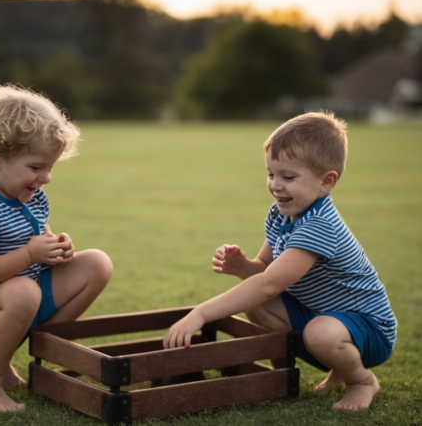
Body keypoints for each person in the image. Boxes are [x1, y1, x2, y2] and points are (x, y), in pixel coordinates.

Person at [163, 111, 396, 411]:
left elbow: (270, 284)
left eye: (288, 177)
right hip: (323, 317)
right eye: (271, 174)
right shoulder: (281, 214)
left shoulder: (320, 225)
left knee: (317, 330)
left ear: (326, 182)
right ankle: (323, 371)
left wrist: (201, 313)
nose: (276, 185)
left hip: (370, 329)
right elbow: (264, 272)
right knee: (255, 302)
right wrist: (244, 268)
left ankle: (362, 381)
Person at [0, 84, 113, 412]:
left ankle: (41, 346)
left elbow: (40, 243)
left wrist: (56, 251)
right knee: (22, 291)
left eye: (50, 167)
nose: (46, 177)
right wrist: (29, 255)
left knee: (97, 264)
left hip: (24, 297)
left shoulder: (30, 194)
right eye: (36, 167)